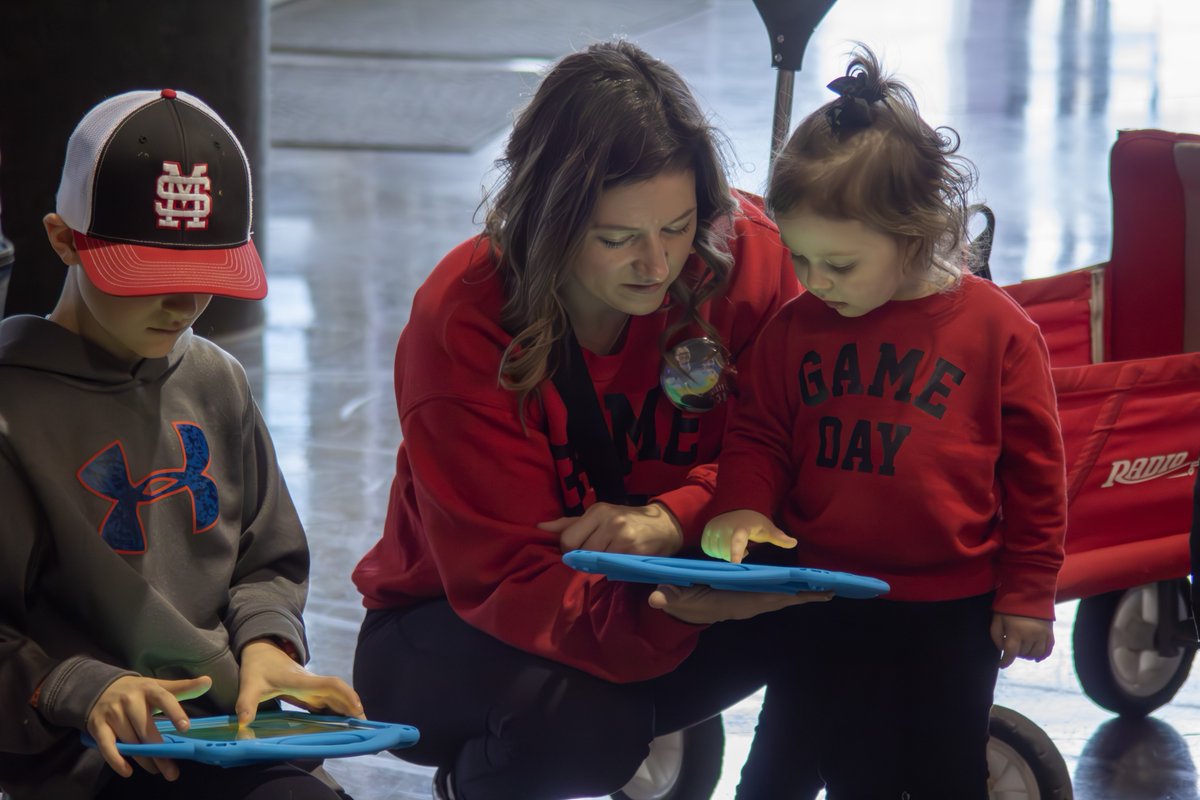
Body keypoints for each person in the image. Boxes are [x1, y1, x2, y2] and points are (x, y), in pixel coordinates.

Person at [351, 40, 830, 800]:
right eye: (616, 239)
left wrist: (675, 520)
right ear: (546, 220)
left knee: (867, 611)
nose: (657, 265)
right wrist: (677, 611)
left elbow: (807, 450)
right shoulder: (466, 317)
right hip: (460, 621)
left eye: (678, 227)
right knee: (585, 727)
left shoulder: (747, 257)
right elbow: (512, 576)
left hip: (683, 588)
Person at [700, 46, 1068, 798]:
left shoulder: (997, 330)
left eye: (839, 264)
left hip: (951, 610)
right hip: (819, 593)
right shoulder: (795, 329)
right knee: (786, 762)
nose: (815, 282)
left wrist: (1027, 591)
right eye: (801, 259)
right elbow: (759, 434)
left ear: (913, 233)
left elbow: (1035, 475)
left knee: (942, 771)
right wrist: (741, 505)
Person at [0, 89, 363, 800]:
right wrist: (80, 686)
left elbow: (265, 558)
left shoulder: (214, 379)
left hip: (230, 732)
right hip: (91, 754)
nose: (183, 305)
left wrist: (267, 644)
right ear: (64, 239)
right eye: (150, 277)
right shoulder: (14, 410)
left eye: (204, 277)